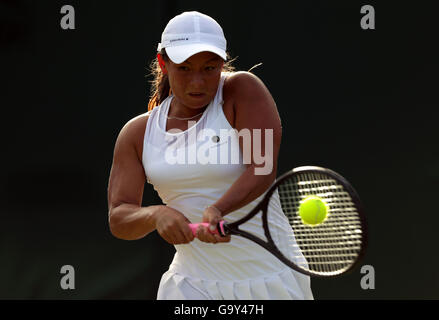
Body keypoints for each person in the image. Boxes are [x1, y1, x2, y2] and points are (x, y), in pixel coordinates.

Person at [107, 11, 313, 300]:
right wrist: (156, 214)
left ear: (222, 64)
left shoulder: (242, 90)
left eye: (209, 68)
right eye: (185, 68)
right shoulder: (137, 134)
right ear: (163, 64)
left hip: (269, 280)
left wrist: (218, 209)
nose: (198, 83)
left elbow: (262, 167)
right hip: (190, 286)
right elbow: (120, 216)